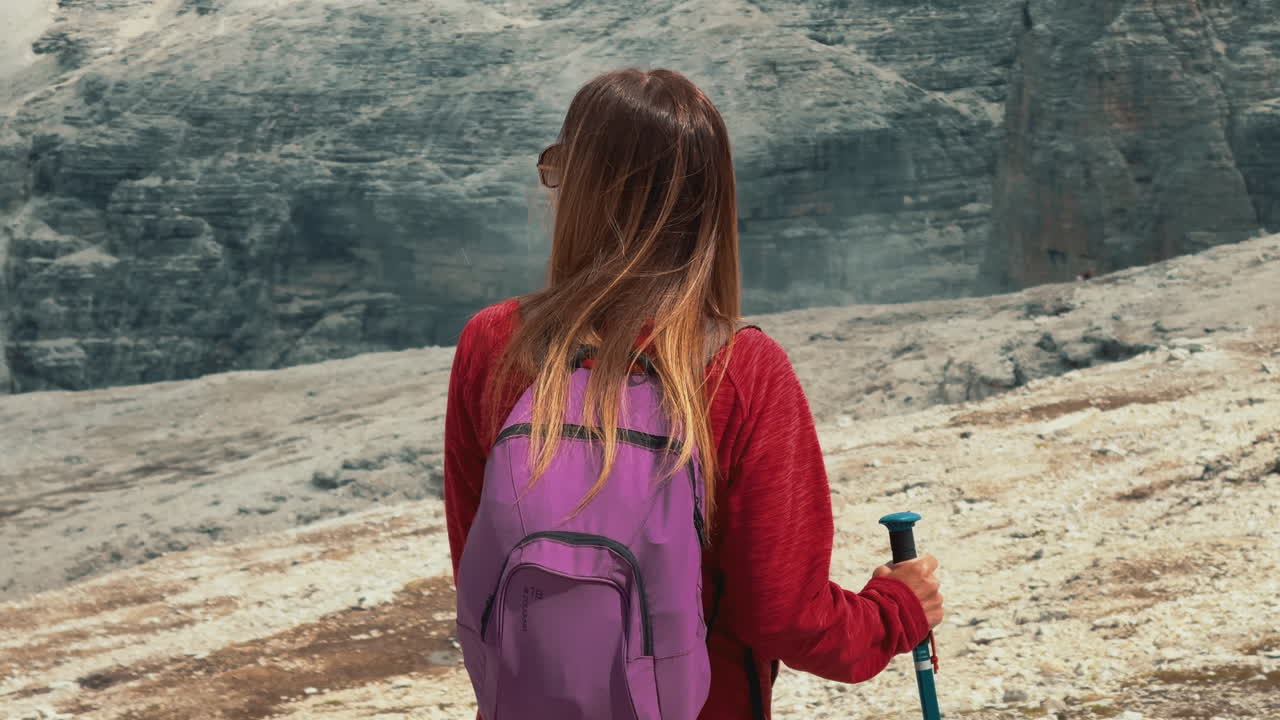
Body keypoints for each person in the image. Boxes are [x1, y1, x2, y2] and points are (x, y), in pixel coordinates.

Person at [443, 67, 943, 720]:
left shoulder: (492, 345)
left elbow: (478, 570)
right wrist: (898, 611)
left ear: (579, 189)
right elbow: (786, 618)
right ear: (713, 202)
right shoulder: (742, 371)